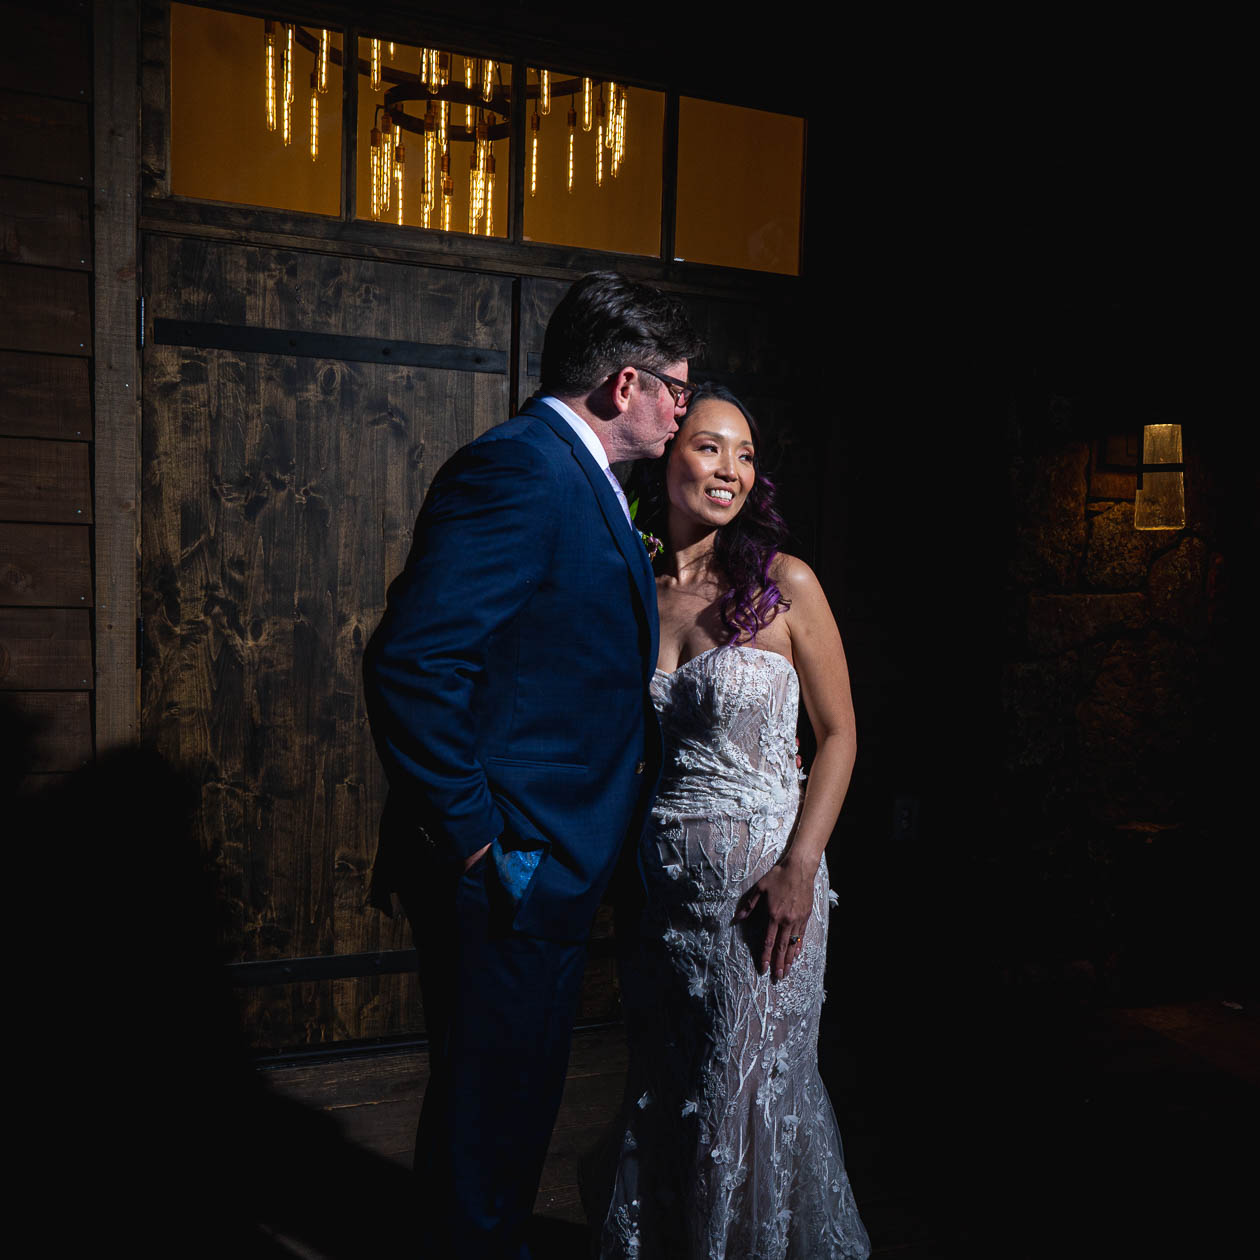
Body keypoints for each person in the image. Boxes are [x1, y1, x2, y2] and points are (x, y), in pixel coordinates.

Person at [362, 272, 702, 1259]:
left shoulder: (582, 476)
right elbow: (415, 662)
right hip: (508, 864)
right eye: (674, 388)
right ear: (623, 383)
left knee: (510, 1108)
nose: (682, 408)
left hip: (550, 855)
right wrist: (477, 838)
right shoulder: (521, 469)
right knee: (491, 1112)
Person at [594, 384, 871, 1258]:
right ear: (668, 455)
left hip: (766, 893)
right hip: (662, 899)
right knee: (673, 1081)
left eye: (746, 454)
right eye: (712, 448)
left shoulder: (783, 584)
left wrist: (799, 869)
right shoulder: (636, 586)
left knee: (745, 1093)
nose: (731, 470)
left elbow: (840, 736)